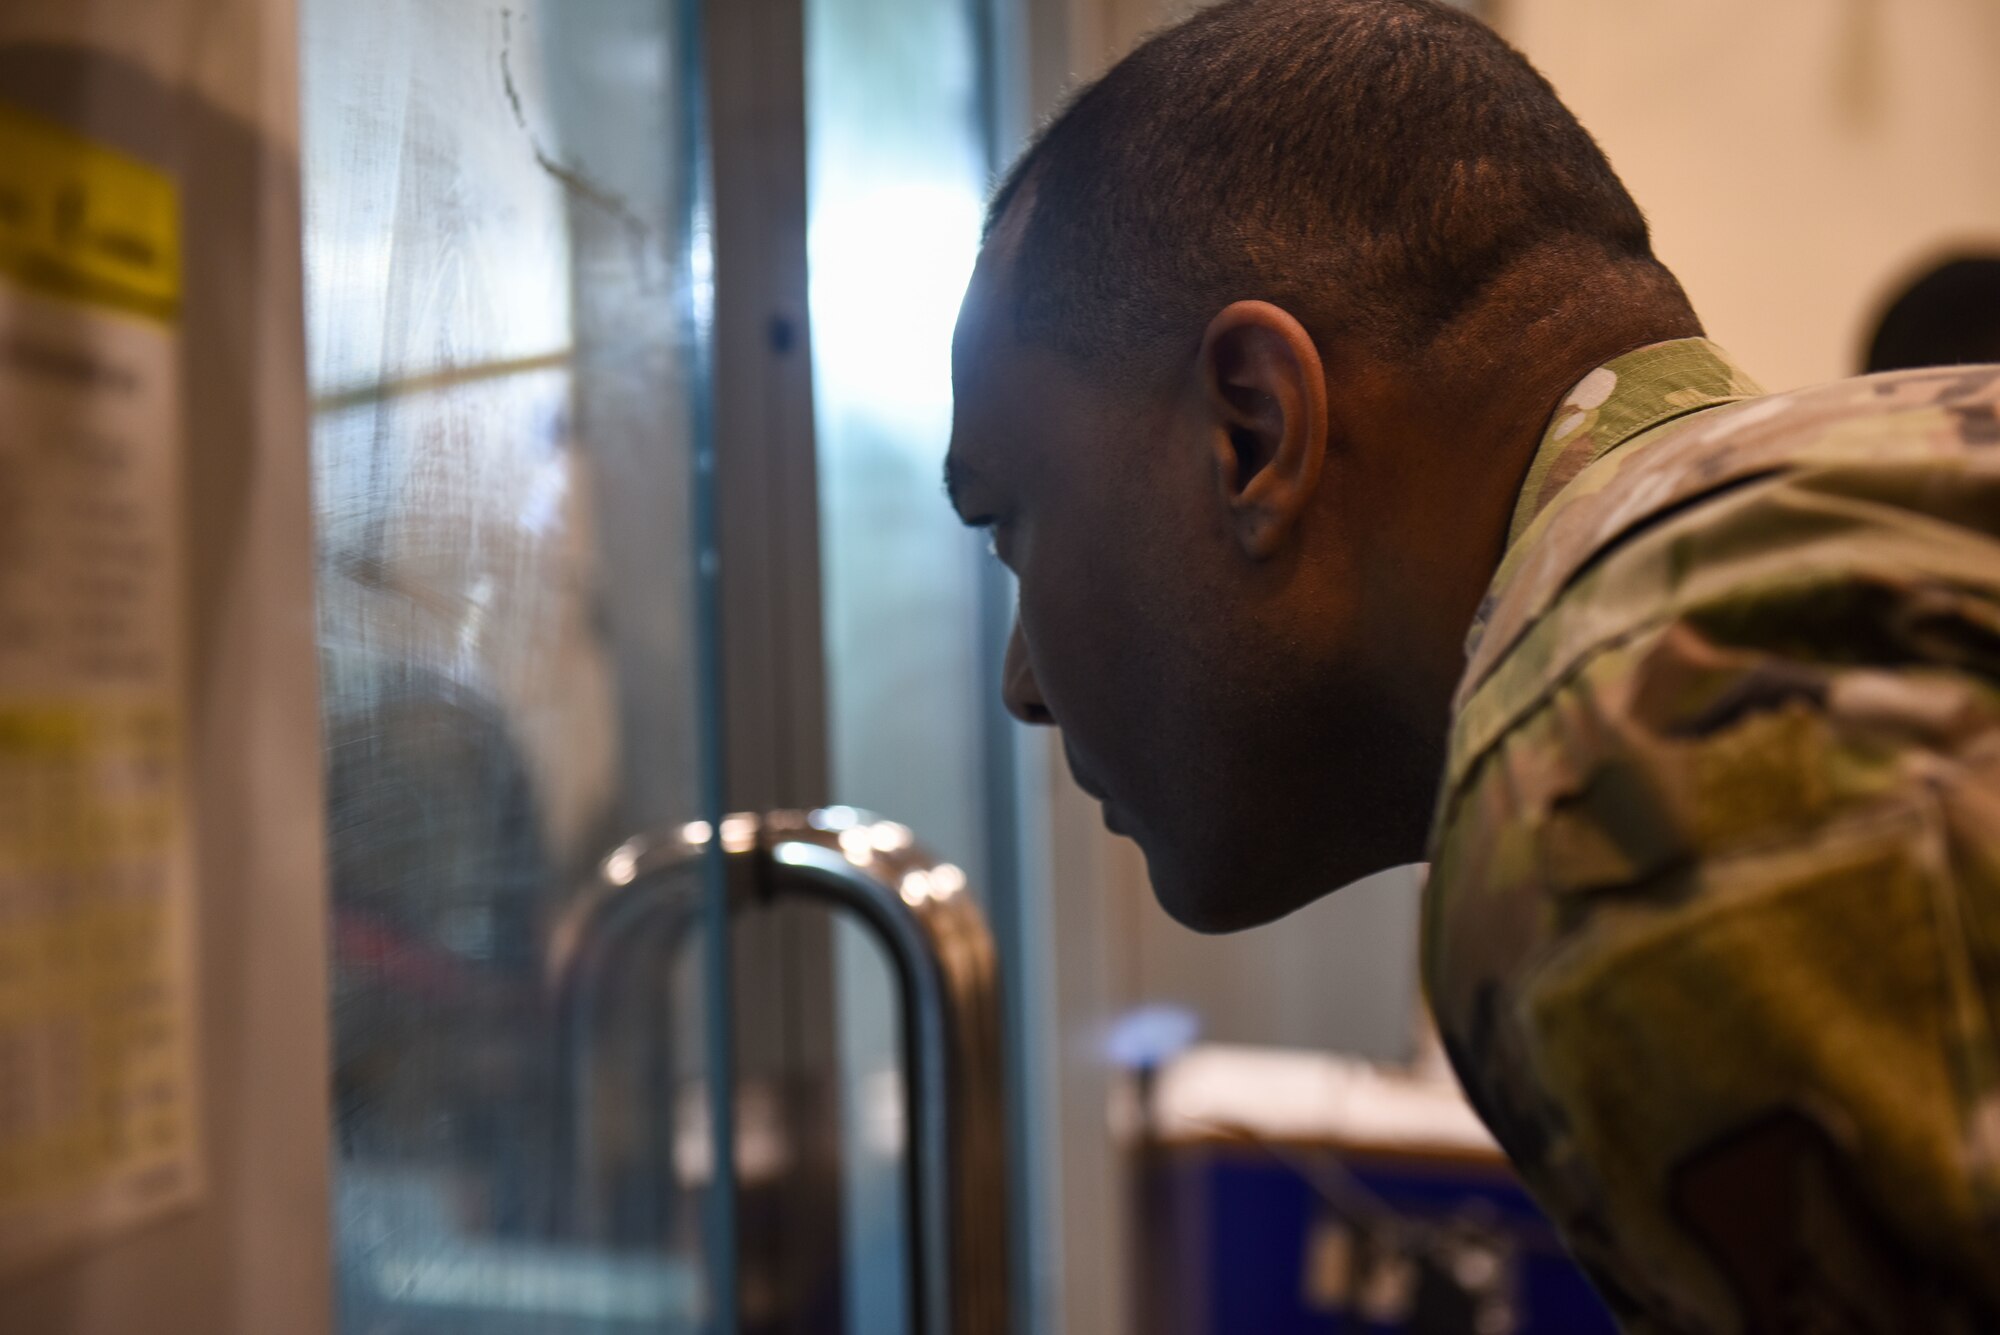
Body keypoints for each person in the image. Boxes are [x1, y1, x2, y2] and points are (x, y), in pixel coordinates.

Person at [943, 0, 2000, 1329]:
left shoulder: (1622, 761)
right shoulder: (1893, 462)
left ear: (1252, 430)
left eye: (1012, 525)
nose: (1022, 682)